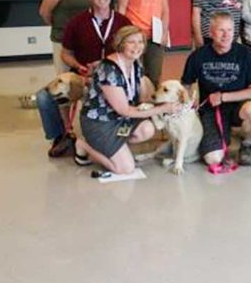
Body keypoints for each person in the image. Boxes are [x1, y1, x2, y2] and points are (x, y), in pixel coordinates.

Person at [37, 0, 132, 157]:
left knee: (142, 85)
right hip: (83, 76)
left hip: (114, 79)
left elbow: (133, 53)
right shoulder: (76, 22)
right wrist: (78, 66)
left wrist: (108, 64)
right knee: (44, 97)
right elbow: (65, 53)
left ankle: (123, 134)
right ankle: (62, 136)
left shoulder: (123, 22)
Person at [75, 25, 177, 174]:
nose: (137, 47)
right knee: (125, 169)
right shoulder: (109, 68)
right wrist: (163, 109)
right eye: (131, 42)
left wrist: (169, 100)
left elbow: (143, 100)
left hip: (120, 119)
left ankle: (114, 148)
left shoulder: (135, 64)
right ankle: (84, 145)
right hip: (101, 122)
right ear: (121, 44)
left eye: (140, 42)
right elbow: (124, 109)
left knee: (147, 129)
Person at [181, 11, 251, 167]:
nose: (226, 35)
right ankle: (224, 137)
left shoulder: (246, 54)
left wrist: (223, 97)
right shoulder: (198, 56)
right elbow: (185, 85)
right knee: (213, 160)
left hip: (240, 106)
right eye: (221, 30)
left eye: (230, 30)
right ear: (211, 33)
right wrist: (189, 102)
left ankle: (247, 145)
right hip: (211, 109)